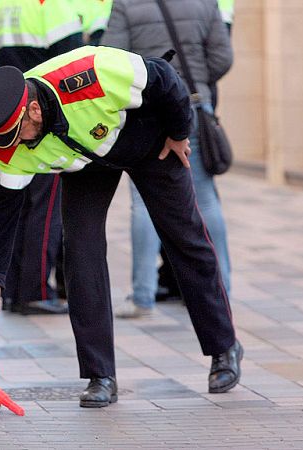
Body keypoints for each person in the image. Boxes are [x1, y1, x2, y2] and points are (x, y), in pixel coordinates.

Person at [0, 46, 243, 408]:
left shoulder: (93, 73)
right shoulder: (4, 142)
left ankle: (224, 348)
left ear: (34, 109)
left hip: (147, 139)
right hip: (86, 165)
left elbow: (164, 78)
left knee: (184, 238)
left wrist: (179, 132)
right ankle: (100, 376)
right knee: (80, 253)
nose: (16, 145)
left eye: (20, 134)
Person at [101, 0, 233, 319]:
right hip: (193, 106)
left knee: (142, 203)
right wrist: (194, 77)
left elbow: (110, 58)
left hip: (146, 112)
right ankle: (221, 290)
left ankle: (142, 296)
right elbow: (222, 57)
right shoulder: (204, 3)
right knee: (205, 200)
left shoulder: (127, 5)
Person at [0, 0, 83, 315]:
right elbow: (70, 67)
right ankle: (37, 292)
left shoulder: (5, 6)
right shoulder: (54, 6)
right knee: (45, 210)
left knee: (20, 206)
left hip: (13, 119)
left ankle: (14, 291)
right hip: (42, 120)